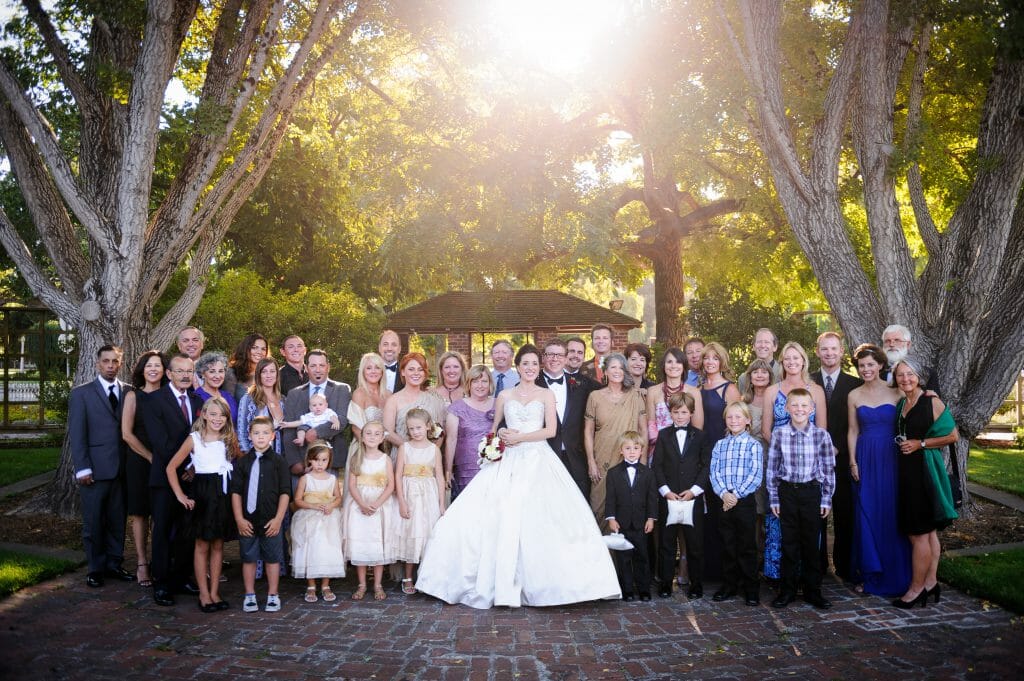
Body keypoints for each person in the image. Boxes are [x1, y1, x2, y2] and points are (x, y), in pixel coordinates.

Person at [415, 344, 621, 608]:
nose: (530, 368)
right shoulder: (505, 395)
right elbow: (494, 428)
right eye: (525, 364)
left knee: (544, 518)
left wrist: (520, 437)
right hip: (508, 460)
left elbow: (550, 430)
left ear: (540, 366)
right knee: (494, 516)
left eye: (535, 364)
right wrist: (499, 437)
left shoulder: (546, 395)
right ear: (518, 366)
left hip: (538, 457)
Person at [891, 356, 959, 608]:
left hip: (924, 473)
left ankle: (916, 589)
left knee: (917, 533)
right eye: (900, 375)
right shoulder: (901, 404)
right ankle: (931, 582)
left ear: (918, 376)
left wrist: (921, 444)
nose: (906, 379)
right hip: (907, 473)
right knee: (928, 532)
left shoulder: (931, 401)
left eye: (910, 374)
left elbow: (953, 435)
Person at [846, 344, 911, 597]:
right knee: (866, 512)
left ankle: (896, 573)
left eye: (871, 364)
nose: (866, 369)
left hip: (891, 457)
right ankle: (870, 573)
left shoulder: (897, 393)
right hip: (864, 456)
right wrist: (852, 461)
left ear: (881, 365)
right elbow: (852, 430)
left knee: (890, 513)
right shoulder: (854, 395)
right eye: (862, 366)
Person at [761, 341, 827, 583]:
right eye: (787, 359)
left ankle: (808, 578)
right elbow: (766, 430)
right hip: (781, 464)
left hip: (809, 466)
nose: (791, 362)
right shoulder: (772, 390)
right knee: (781, 521)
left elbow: (822, 429)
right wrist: (786, 450)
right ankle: (780, 576)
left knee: (808, 526)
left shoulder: (816, 390)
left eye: (796, 358)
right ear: (782, 362)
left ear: (803, 360)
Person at [141, 353, 204, 606]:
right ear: (169, 374)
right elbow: (160, 442)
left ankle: (181, 577)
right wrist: (184, 464)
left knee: (187, 530)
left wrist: (194, 467)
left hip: (193, 477)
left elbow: (204, 437)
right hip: (165, 476)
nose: (185, 375)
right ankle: (162, 583)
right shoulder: (153, 400)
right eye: (180, 371)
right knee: (163, 531)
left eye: (189, 371)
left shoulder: (198, 400)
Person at [68, 345, 133, 589]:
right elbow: (77, 434)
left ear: (120, 364)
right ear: (97, 364)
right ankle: (95, 568)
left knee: (117, 520)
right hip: (94, 470)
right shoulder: (81, 394)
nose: (110, 365)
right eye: (105, 361)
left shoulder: (129, 392)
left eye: (114, 361)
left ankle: (114, 564)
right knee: (94, 522)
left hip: (122, 470)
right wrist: (82, 468)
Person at [165, 396, 238, 612]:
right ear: (204, 414)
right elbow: (171, 468)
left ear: (227, 418)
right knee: (201, 545)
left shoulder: (228, 438)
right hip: (203, 495)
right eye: (213, 414)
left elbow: (232, 462)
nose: (217, 418)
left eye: (222, 415)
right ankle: (204, 594)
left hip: (222, 494)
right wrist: (180, 496)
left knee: (218, 545)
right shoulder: (194, 439)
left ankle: (215, 592)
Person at [767, 389, 836, 610]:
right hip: (787, 493)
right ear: (787, 408)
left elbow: (827, 469)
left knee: (810, 544)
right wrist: (774, 498)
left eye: (804, 406)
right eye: (794, 405)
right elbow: (772, 468)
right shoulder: (779, 434)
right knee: (789, 543)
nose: (799, 410)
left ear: (812, 409)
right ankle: (787, 591)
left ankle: (812, 591)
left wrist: (826, 499)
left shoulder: (821, 435)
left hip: (811, 493)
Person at [811, 332, 862, 582]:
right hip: (811, 460)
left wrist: (838, 447)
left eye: (833, 349)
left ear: (841, 352)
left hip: (842, 458)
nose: (829, 353)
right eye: (824, 349)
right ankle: (818, 565)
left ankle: (843, 565)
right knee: (814, 514)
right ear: (817, 352)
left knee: (844, 513)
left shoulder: (854, 384)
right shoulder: (808, 382)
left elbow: (857, 424)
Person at [652, 392, 710, 599]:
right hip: (668, 498)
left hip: (691, 498)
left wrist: (694, 491)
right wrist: (665, 491)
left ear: (691, 413)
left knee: (695, 544)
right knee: (667, 543)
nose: (680, 416)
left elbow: (705, 467)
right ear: (671, 413)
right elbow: (657, 465)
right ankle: (666, 583)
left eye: (684, 412)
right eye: (676, 412)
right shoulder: (664, 435)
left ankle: (696, 584)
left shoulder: (701, 436)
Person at [231, 416, 291, 613]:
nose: (261, 437)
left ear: (273, 436)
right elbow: (236, 492)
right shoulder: (242, 463)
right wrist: (239, 519)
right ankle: (249, 595)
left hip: (271, 520)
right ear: (249, 436)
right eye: (256, 433)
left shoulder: (279, 462)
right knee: (248, 557)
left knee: (272, 558)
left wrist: (278, 519)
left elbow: (285, 492)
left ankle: (273, 595)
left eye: (265, 433)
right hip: (247, 521)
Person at [709, 402, 764, 606]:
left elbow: (755, 475)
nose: (734, 421)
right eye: (730, 417)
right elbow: (714, 472)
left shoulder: (753, 445)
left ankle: (751, 588)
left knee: (747, 546)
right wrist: (724, 494)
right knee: (727, 544)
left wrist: (735, 496)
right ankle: (729, 585)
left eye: (738, 417)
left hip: (744, 502)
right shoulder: (720, 445)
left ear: (748, 420)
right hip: (723, 502)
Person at [120, 350, 166, 588]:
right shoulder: (133, 396)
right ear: (142, 369)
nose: (153, 369)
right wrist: (149, 457)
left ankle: (160, 562)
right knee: (140, 512)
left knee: (162, 512)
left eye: (158, 365)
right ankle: (141, 562)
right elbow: (126, 434)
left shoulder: (169, 395)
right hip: (139, 460)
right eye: (149, 365)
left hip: (166, 461)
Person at [584, 353, 648, 521]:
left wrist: (642, 462)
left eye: (621, 368)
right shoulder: (595, 397)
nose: (617, 371)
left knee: (627, 505)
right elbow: (588, 432)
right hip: (602, 457)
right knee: (598, 505)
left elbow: (643, 430)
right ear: (605, 371)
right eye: (613, 367)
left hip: (629, 458)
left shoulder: (635, 396)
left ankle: (624, 547)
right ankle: (602, 547)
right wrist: (591, 461)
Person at [698, 341, 741, 580]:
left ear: (721, 361)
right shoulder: (698, 386)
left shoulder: (730, 389)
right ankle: (708, 567)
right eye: (707, 358)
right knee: (706, 511)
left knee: (722, 509)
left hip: (722, 453)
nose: (710, 362)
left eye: (715, 358)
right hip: (702, 451)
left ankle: (727, 570)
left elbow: (735, 422)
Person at [342, 419, 398, 601]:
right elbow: (351, 485)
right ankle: (362, 584)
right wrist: (362, 504)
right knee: (361, 543)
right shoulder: (356, 457)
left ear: (382, 438)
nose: (372, 437)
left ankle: (378, 584)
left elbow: (390, 485)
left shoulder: (386, 459)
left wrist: (376, 503)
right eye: (368, 433)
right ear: (362, 437)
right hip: (359, 505)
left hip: (379, 506)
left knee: (377, 543)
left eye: (377, 434)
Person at [395, 408, 446, 595]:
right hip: (410, 495)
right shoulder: (404, 448)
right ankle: (407, 577)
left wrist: (441, 503)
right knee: (412, 533)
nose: (415, 432)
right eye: (411, 429)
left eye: (418, 427)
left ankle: (426, 576)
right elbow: (398, 475)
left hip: (429, 496)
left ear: (428, 427)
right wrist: (401, 501)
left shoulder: (434, 449)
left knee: (428, 533)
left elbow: (439, 476)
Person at [536, 338, 594, 499]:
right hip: (544, 457)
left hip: (576, 458)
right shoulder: (531, 384)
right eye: (550, 354)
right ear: (543, 357)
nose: (555, 359)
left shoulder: (582, 385)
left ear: (565, 357)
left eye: (559, 355)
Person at [605, 431, 658, 602]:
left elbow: (652, 498)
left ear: (642, 450)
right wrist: (611, 518)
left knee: (642, 557)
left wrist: (651, 518)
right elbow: (611, 498)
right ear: (621, 450)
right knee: (624, 558)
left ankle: (644, 590)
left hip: (642, 523)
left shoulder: (648, 473)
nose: (632, 451)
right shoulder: (613, 473)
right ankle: (627, 590)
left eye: (636, 448)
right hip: (622, 523)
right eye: (628, 448)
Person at [290, 441, 345, 604]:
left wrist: (331, 506)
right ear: (309, 460)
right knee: (311, 549)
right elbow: (298, 500)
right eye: (316, 460)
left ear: (329, 460)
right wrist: (313, 506)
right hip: (309, 518)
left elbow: (338, 498)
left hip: (328, 519)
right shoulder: (306, 478)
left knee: (327, 549)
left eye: (324, 460)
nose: (320, 464)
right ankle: (311, 585)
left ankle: (326, 585)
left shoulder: (332, 479)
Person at [282, 350, 351, 474]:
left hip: (330, 460)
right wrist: (294, 462)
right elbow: (288, 430)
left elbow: (342, 420)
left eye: (322, 365)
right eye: (313, 366)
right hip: (302, 461)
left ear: (328, 367)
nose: (317, 369)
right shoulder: (294, 393)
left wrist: (316, 432)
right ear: (307, 368)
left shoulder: (342, 389)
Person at [444, 364, 495, 500]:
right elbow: (451, 439)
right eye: (475, 381)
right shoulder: (457, 408)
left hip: (495, 466)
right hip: (466, 468)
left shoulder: (499, 404)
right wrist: (448, 470)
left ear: (490, 383)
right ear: (469, 384)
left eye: (484, 381)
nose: (480, 385)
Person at [739, 358, 773, 558]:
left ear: (770, 376)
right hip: (749, 458)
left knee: (768, 505)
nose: (760, 375)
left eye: (764, 372)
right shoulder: (744, 401)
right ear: (749, 377)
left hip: (770, 453)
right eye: (755, 372)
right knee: (754, 507)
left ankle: (767, 554)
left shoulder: (777, 398)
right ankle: (753, 555)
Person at [383, 353, 447, 458]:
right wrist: (411, 450)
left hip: (428, 458)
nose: (416, 373)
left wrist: (431, 453)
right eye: (411, 369)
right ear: (403, 372)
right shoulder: (393, 400)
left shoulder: (434, 399)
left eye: (420, 369)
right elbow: (388, 432)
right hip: (402, 456)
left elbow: (439, 432)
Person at [646, 347, 705, 447]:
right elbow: (651, 426)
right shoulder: (652, 391)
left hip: (686, 450)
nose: (673, 366)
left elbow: (697, 428)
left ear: (684, 366)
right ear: (663, 365)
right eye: (669, 362)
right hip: (659, 448)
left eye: (678, 362)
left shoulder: (694, 392)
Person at [237, 358, 284, 455]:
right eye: (264, 372)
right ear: (258, 375)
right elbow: (242, 433)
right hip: (257, 458)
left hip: (281, 461)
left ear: (277, 374)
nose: (269, 375)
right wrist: (250, 458)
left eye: (272, 371)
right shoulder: (249, 399)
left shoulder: (283, 399)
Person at [347, 352, 390, 440]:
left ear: (382, 371)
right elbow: (356, 429)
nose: (373, 371)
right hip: (364, 446)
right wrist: (372, 449)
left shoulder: (389, 394)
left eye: (377, 367)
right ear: (363, 371)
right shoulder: (359, 394)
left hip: (387, 446)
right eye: (369, 368)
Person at [195, 351, 238, 423]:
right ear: (202, 374)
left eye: (221, 371)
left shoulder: (228, 396)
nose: (217, 376)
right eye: (212, 371)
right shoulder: (196, 397)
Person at [227, 333, 270, 403]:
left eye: (263, 349)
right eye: (254, 348)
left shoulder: (267, 374)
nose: (259, 352)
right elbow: (226, 405)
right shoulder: (232, 373)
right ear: (246, 349)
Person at [738, 328, 784, 392]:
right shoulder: (743, 379)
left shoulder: (784, 374)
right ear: (753, 346)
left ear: (775, 347)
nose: (762, 345)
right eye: (759, 342)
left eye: (767, 342)